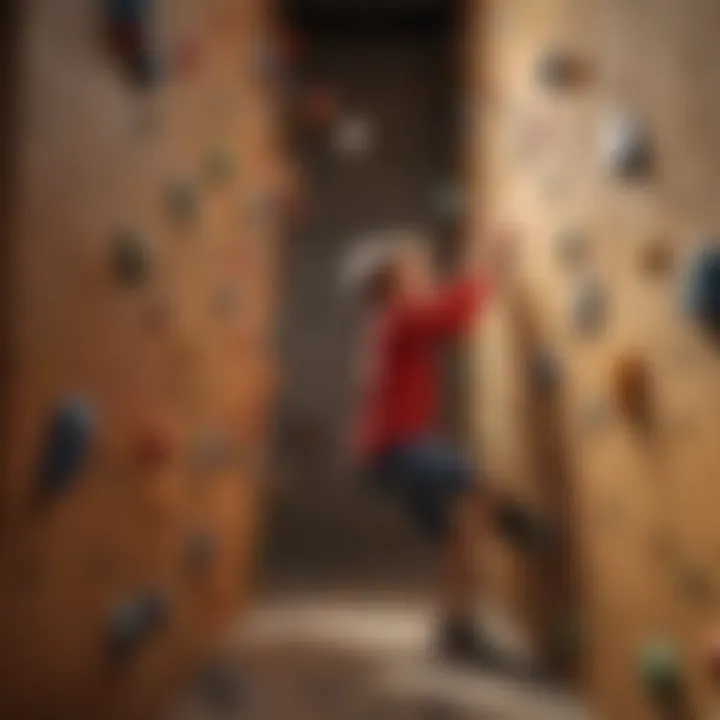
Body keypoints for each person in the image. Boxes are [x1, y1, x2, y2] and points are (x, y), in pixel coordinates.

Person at [341, 227, 547, 668]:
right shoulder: (398, 317)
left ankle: (456, 629)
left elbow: (447, 309)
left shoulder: (390, 319)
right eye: (417, 273)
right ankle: (518, 524)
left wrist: (477, 273)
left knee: (455, 536)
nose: (428, 277)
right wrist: (485, 263)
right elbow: (455, 314)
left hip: (387, 450)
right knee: (474, 483)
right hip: (397, 445)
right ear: (390, 287)